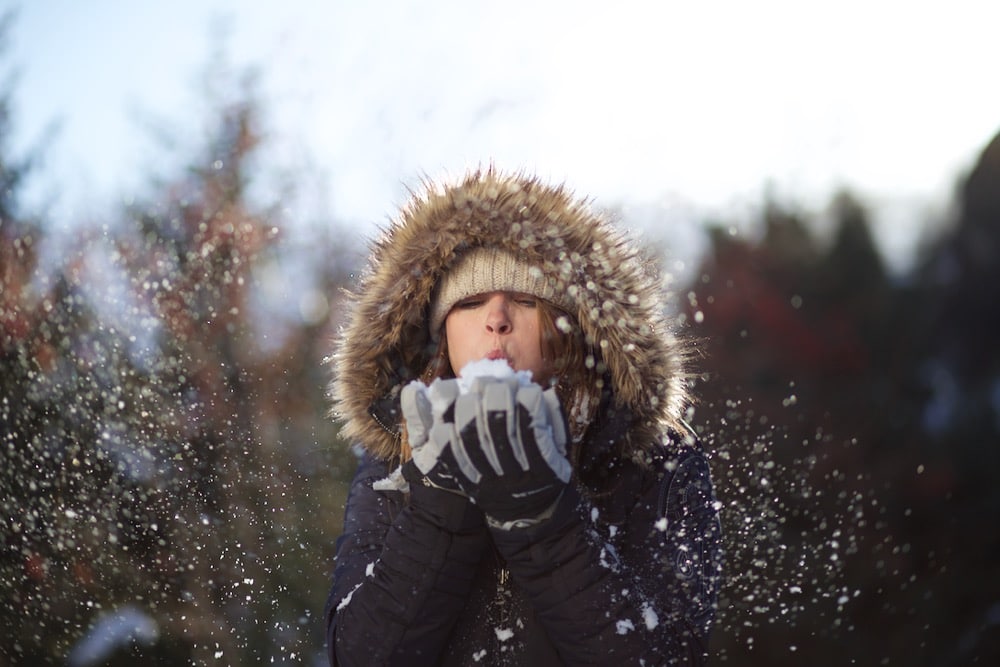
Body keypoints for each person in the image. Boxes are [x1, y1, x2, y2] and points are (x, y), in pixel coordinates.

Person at [324, 168, 722, 665]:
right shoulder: (393, 458)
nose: (496, 318)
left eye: (525, 299)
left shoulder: (651, 460)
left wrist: (542, 517)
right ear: (441, 332)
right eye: (469, 303)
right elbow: (358, 657)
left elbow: (666, 657)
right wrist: (442, 508)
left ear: (569, 325)